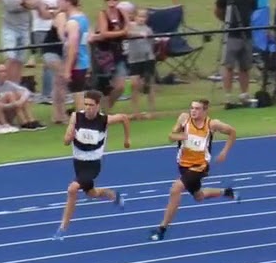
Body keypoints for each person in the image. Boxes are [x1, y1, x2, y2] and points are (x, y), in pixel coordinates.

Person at [149, 99, 238, 242]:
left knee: (176, 189)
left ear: (204, 111)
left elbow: (232, 132)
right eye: (192, 108)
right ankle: (226, 191)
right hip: (184, 165)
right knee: (199, 196)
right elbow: (171, 136)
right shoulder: (184, 119)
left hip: (200, 166)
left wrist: (224, 152)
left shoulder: (211, 124)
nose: (193, 111)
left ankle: (162, 229)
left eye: (197, 108)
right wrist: (181, 136)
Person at [53, 89, 131, 240]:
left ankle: (62, 229)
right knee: (91, 193)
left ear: (97, 106)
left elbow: (124, 118)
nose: (87, 108)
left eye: (91, 105)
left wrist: (127, 139)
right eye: (85, 104)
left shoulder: (104, 120)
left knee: (73, 189)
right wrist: (69, 135)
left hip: (93, 164)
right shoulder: (76, 117)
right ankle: (113, 195)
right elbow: (66, 141)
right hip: (78, 163)